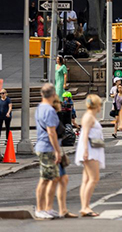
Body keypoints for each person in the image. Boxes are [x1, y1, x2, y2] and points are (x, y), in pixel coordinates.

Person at [34, 83, 62, 220]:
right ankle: (40, 208)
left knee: (53, 178)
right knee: (45, 179)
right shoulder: (49, 110)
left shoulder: (40, 108)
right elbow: (52, 133)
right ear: (53, 95)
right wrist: (57, 150)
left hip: (43, 146)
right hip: (47, 147)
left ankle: (48, 208)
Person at [74, 94, 104, 217]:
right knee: (93, 178)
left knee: (86, 179)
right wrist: (86, 151)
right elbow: (85, 134)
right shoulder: (89, 117)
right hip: (90, 151)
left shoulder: (90, 116)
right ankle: (85, 207)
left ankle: (85, 206)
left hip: (92, 149)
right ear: (96, 105)